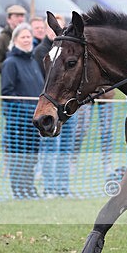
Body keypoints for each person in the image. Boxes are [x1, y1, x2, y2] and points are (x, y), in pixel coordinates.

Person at [33, 14, 77, 197]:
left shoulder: (68, 51)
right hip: (51, 106)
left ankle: (62, 188)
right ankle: (50, 187)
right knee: (52, 150)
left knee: (66, 150)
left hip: (67, 106)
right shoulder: (42, 52)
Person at [1, 23, 44, 199]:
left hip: (35, 121)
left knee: (31, 158)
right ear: (15, 40)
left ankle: (29, 188)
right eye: (23, 37)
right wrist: (26, 111)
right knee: (19, 158)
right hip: (18, 121)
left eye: (29, 37)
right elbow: (7, 92)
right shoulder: (10, 63)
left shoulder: (33, 61)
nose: (27, 40)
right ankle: (19, 190)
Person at [0, 4, 27, 73]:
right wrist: (11, 67)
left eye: (22, 16)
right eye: (17, 16)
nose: (20, 19)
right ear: (8, 19)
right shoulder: (2, 39)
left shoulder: (29, 37)